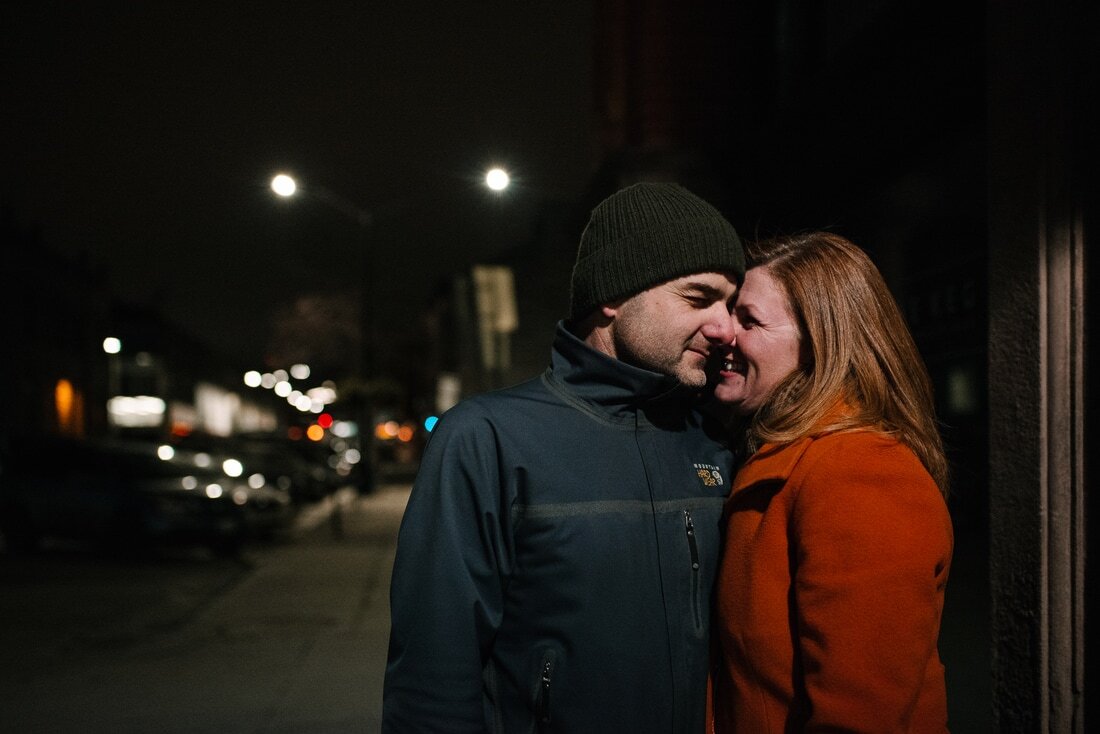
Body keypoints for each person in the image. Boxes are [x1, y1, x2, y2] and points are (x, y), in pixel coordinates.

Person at [383, 182, 746, 733]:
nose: (725, 329)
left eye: (731, 304)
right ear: (614, 294)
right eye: (698, 299)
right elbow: (434, 672)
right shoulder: (487, 438)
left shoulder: (713, 439)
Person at [710, 231, 953, 732]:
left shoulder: (861, 473)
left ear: (820, 343)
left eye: (749, 319)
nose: (722, 332)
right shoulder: (781, 456)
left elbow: (860, 715)